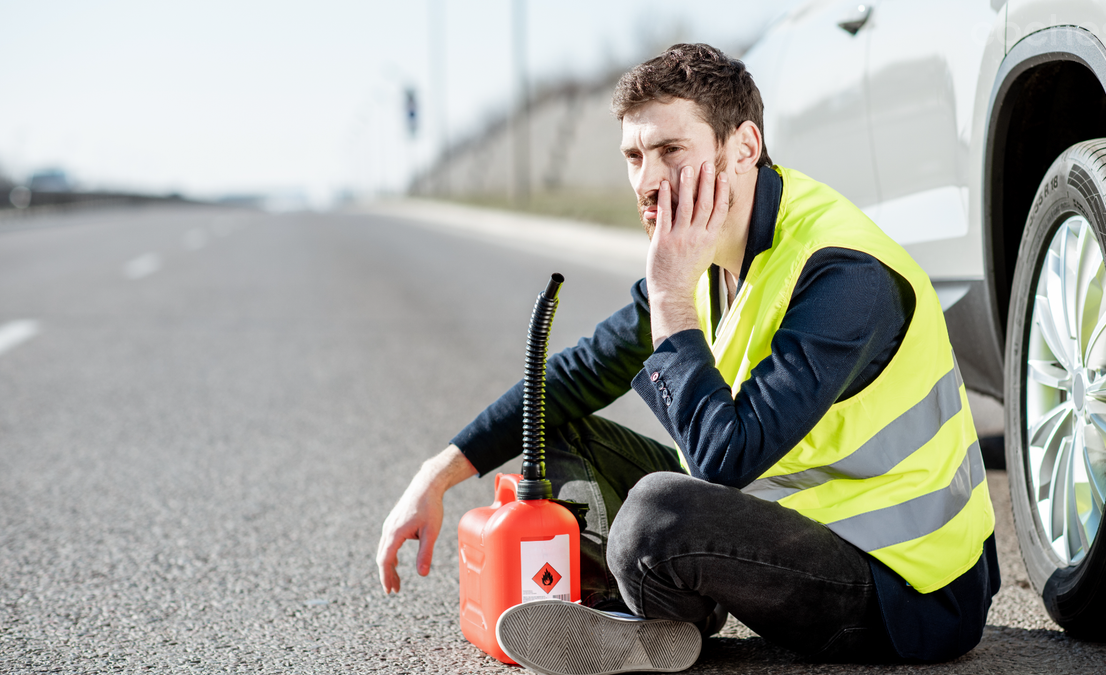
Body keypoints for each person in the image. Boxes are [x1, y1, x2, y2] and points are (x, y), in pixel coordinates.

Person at [376, 43, 999, 674]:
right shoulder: (706, 251)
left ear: (744, 149)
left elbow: (726, 461)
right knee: (554, 433)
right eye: (634, 156)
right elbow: (577, 374)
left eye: (671, 151)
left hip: (908, 593)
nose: (647, 180)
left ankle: (645, 616)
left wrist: (671, 296)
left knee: (657, 516)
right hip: (798, 530)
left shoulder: (843, 274)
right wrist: (439, 474)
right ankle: (655, 620)